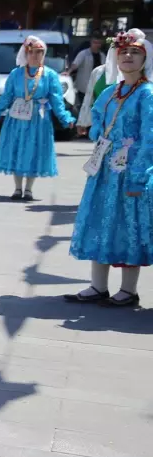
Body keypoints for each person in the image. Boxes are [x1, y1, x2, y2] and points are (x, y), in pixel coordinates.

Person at [65, 28, 153, 308]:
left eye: (135, 52)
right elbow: (97, 122)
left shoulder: (148, 94)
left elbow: (151, 136)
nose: (128, 56)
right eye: (123, 51)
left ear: (146, 58)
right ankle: (98, 286)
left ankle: (128, 290)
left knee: (127, 225)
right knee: (99, 220)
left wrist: (140, 174)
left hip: (130, 171)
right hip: (105, 169)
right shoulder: (112, 91)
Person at [0, 35, 75, 201]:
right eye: (32, 52)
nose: (35, 55)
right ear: (26, 53)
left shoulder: (50, 75)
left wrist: (65, 118)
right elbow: (6, 97)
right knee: (18, 149)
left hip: (38, 120)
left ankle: (29, 189)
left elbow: (57, 100)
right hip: (17, 118)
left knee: (34, 151)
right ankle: (18, 188)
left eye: (39, 52)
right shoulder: (16, 74)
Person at [67, 33, 106, 110]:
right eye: (95, 42)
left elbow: (106, 68)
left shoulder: (102, 55)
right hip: (84, 86)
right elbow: (75, 64)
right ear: (91, 43)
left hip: (97, 85)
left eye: (98, 43)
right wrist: (68, 72)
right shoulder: (83, 53)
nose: (97, 45)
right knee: (83, 106)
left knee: (95, 106)